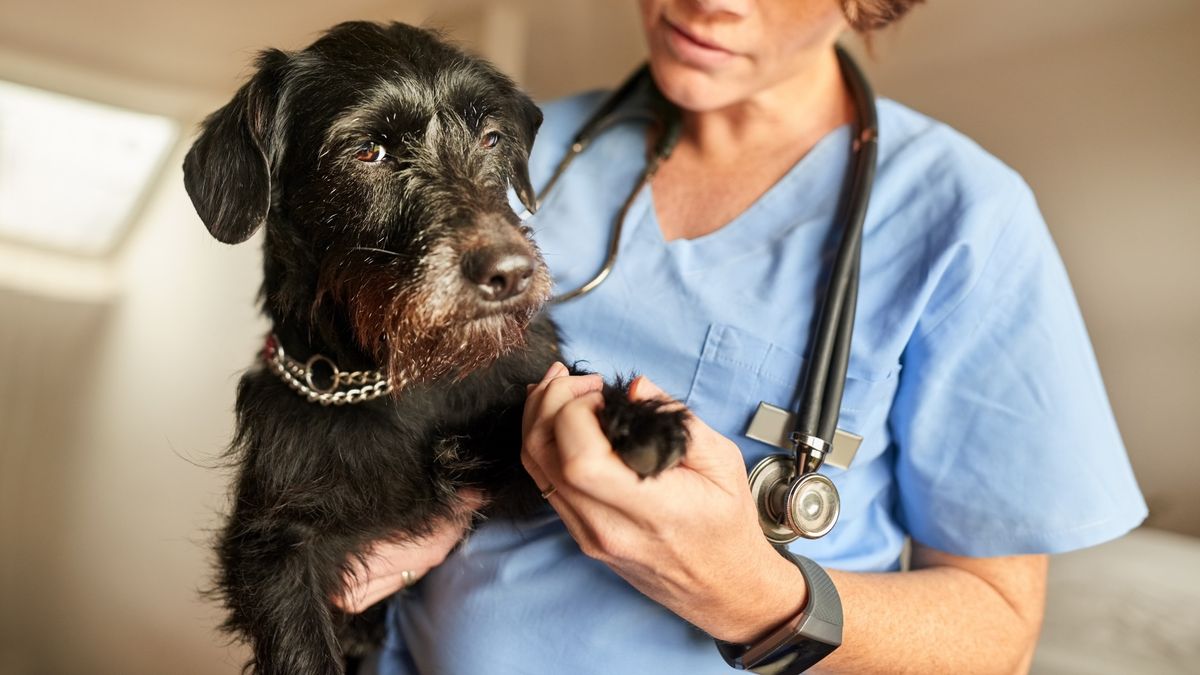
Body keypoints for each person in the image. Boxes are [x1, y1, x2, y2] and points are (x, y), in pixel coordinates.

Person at [337, 1, 1147, 672]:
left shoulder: (965, 221)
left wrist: (753, 593)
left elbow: (997, 634)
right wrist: (425, 511)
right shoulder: (510, 148)